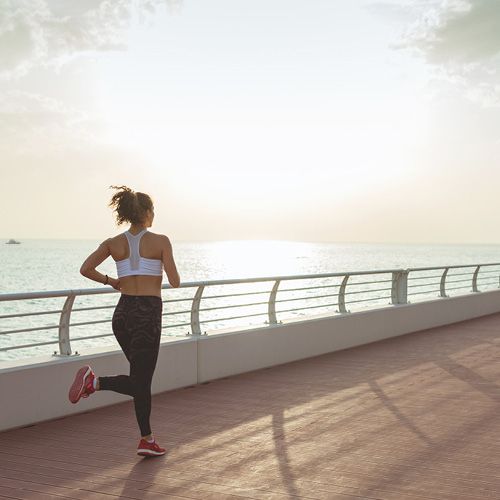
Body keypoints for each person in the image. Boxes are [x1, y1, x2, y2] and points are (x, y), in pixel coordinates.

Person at [68, 185, 180, 458]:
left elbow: (85, 269)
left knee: (139, 381)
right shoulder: (161, 240)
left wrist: (112, 281)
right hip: (147, 315)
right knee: (141, 382)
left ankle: (147, 439)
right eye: (153, 210)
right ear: (147, 213)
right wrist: (161, 268)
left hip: (122, 315)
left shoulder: (113, 243)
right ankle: (94, 382)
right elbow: (175, 282)